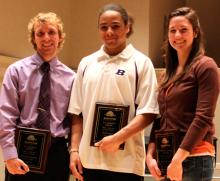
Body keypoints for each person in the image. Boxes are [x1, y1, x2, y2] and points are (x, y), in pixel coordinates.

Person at [68, 3, 159, 181]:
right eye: (104, 27)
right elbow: (77, 113)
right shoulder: (86, 63)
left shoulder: (142, 63)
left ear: (127, 27)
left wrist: (117, 139)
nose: (109, 31)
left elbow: (148, 112)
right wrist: (74, 150)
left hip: (127, 165)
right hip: (89, 163)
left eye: (115, 26)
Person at [146, 7, 220, 181]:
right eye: (172, 31)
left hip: (194, 158)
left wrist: (178, 160)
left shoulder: (206, 66)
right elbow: (160, 119)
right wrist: (150, 156)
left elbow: (203, 118)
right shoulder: (167, 74)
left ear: (195, 32)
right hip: (167, 158)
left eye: (183, 30)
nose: (177, 36)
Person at [0, 12, 75, 181]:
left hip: (57, 152)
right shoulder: (16, 71)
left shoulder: (72, 78)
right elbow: (6, 115)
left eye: (52, 32)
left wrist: (74, 152)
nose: (46, 37)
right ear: (33, 38)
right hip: (22, 149)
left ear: (60, 37)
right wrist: (9, 154)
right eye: (40, 33)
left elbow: (75, 119)